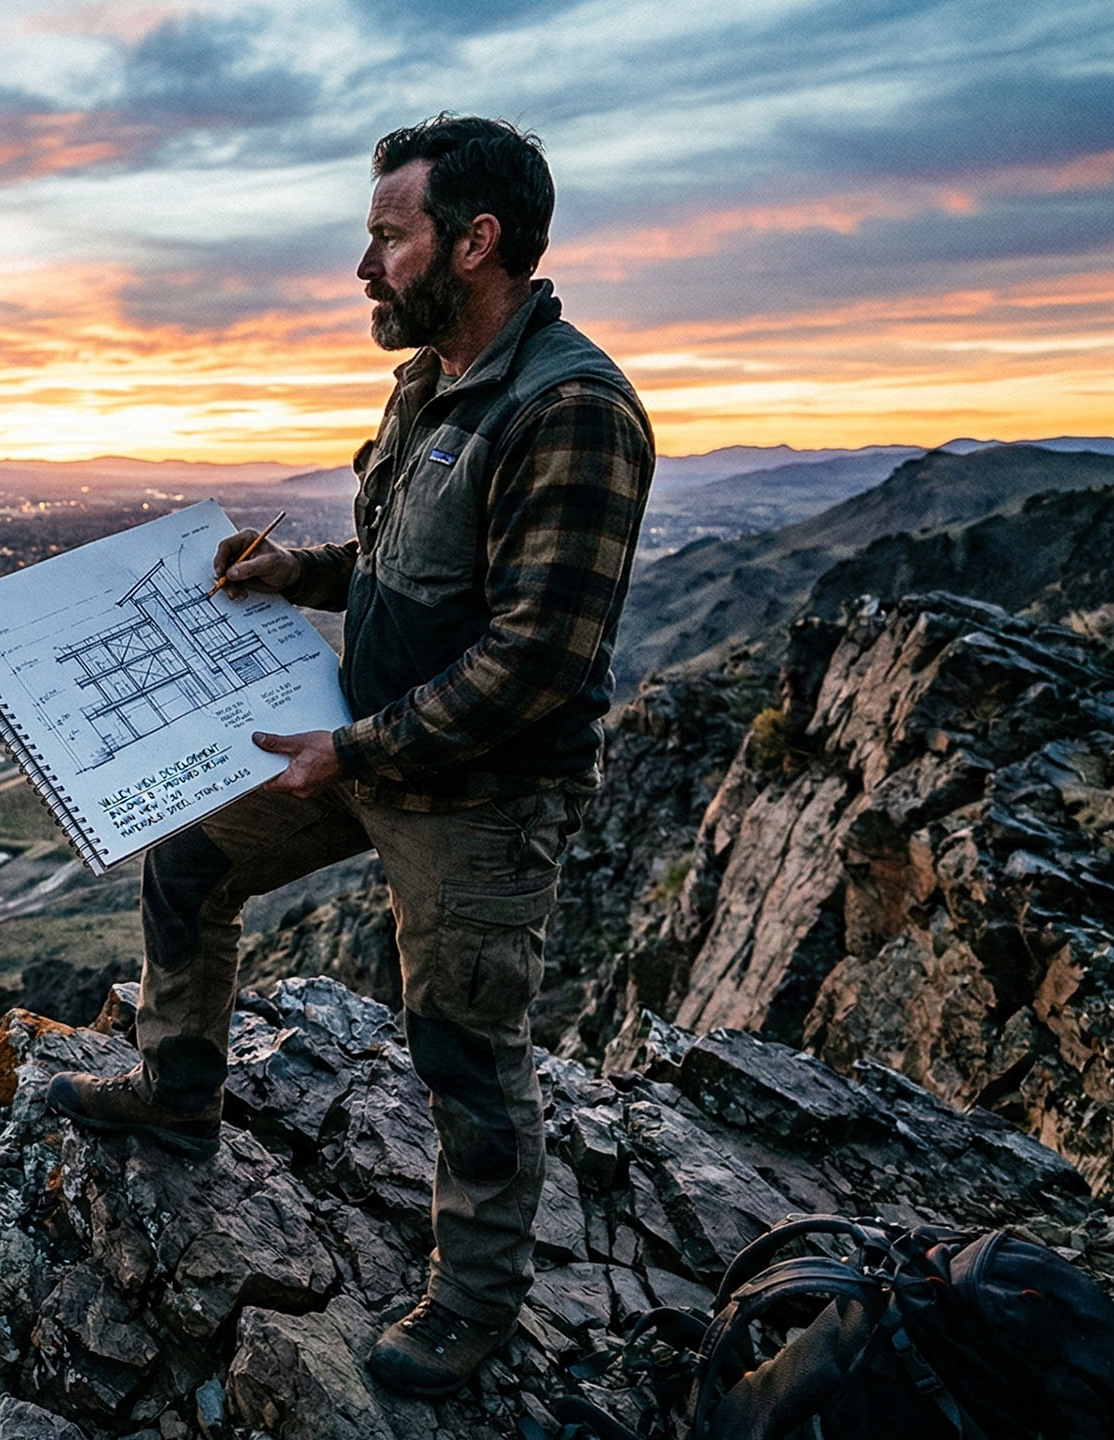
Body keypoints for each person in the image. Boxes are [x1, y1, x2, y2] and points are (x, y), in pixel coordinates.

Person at [44, 114, 655, 1398]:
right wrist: (294, 572)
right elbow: (405, 569)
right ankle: (176, 1088)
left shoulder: (574, 411)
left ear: (473, 242)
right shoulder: (431, 379)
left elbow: (532, 660)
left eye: (387, 235)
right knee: (187, 860)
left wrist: (350, 751)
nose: (362, 265)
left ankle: (472, 1306)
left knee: (464, 1047)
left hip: (478, 793)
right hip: (366, 753)